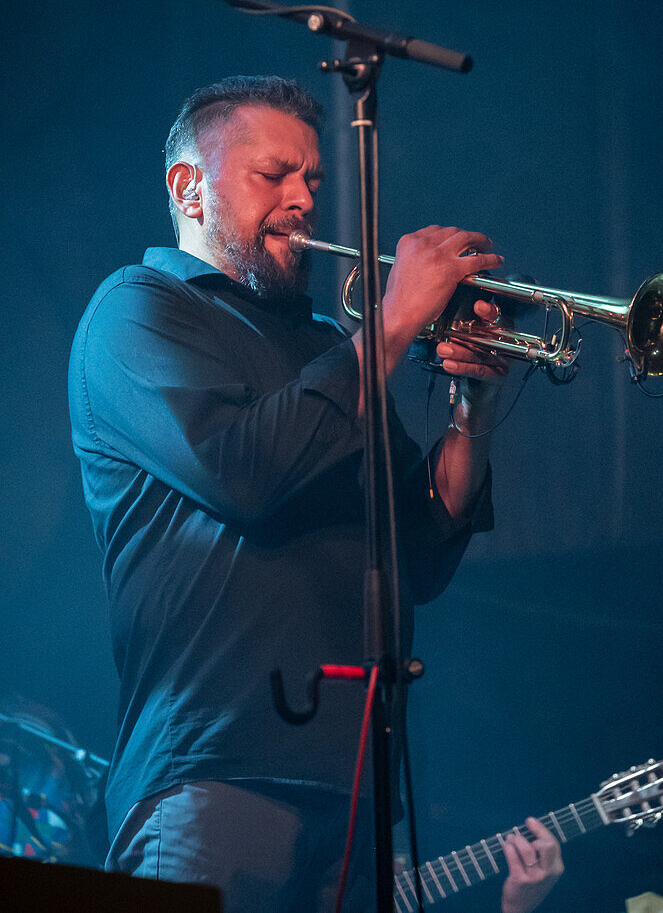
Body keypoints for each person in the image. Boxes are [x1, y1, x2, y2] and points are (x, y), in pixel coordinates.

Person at [68, 75, 563, 911]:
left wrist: (471, 412)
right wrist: (394, 325)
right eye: (274, 176)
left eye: (314, 181)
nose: (303, 200)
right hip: (213, 769)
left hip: (358, 786)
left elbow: (419, 550)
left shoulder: (328, 345)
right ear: (187, 185)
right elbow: (244, 474)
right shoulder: (139, 311)